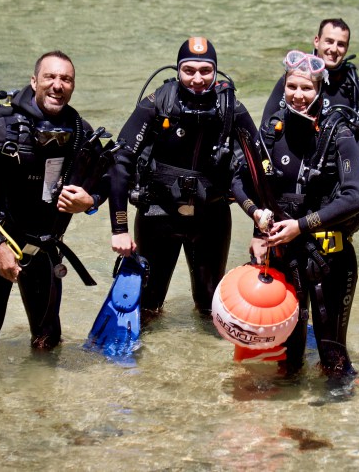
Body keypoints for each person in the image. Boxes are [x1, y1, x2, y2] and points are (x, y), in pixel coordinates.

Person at [0, 51, 108, 373]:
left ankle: (42, 405)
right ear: (34, 81)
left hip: (46, 249)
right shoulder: (5, 129)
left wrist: (90, 201)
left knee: (48, 338)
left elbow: (111, 177)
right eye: (50, 77)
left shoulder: (79, 131)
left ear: (73, 86)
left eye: (65, 79)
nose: (57, 85)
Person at [233, 50, 359, 380]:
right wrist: (257, 214)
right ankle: (289, 424)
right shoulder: (272, 131)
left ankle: (335, 424)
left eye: (307, 88)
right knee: (287, 359)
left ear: (319, 89)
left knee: (333, 358)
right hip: (284, 257)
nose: (298, 95)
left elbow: (355, 197)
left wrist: (300, 225)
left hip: (329, 258)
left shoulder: (339, 133)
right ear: (284, 86)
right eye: (292, 86)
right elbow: (238, 180)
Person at [109, 37, 258, 320]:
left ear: (216, 72)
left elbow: (259, 168)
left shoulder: (230, 109)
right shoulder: (157, 104)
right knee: (147, 308)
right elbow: (121, 161)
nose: (197, 78)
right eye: (189, 70)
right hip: (158, 214)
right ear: (178, 70)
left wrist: (260, 234)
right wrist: (119, 229)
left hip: (210, 217)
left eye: (206, 71)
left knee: (210, 309)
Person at [262, 18, 359, 160]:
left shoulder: (354, 85)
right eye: (329, 41)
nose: (334, 49)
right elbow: (267, 123)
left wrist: (350, 164)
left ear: (347, 48)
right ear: (317, 41)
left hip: (335, 165)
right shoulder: (296, 77)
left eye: (341, 44)